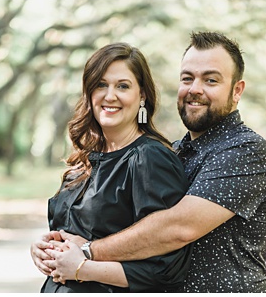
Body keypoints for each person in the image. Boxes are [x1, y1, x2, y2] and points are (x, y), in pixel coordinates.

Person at [40, 31, 266, 293]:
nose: (195, 89)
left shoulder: (245, 150)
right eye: (187, 78)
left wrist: (86, 253)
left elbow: (177, 228)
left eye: (211, 80)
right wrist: (50, 249)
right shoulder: (175, 150)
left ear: (237, 90)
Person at [31, 43, 190, 291]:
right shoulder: (85, 159)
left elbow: (167, 269)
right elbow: (70, 236)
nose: (110, 95)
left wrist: (83, 267)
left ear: (142, 96)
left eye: (123, 86)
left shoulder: (150, 159)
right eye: (101, 84)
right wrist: (44, 248)